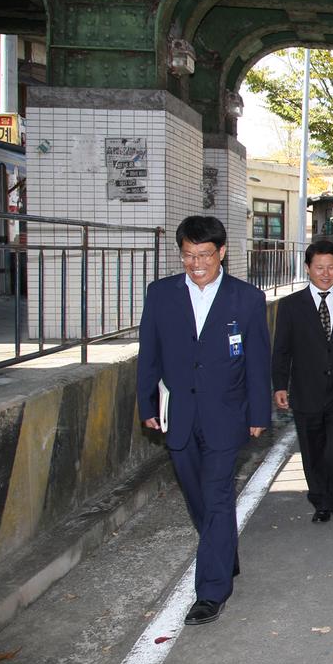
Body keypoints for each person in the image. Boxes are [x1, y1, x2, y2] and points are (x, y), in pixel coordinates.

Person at [136, 215, 271, 626]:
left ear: (222, 253)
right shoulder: (160, 294)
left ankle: (210, 593)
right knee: (197, 497)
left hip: (225, 416)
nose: (196, 263)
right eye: (188, 255)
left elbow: (257, 360)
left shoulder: (245, 298)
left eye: (204, 255)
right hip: (178, 414)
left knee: (215, 497)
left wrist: (258, 413)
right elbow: (149, 354)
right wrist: (145, 405)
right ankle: (223, 552)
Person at [271, 239, 333, 524]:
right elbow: (281, 350)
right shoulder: (291, 306)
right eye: (319, 268)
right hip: (305, 392)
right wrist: (280, 386)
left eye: (331, 267)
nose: (326, 273)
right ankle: (321, 502)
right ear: (308, 268)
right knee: (312, 451)